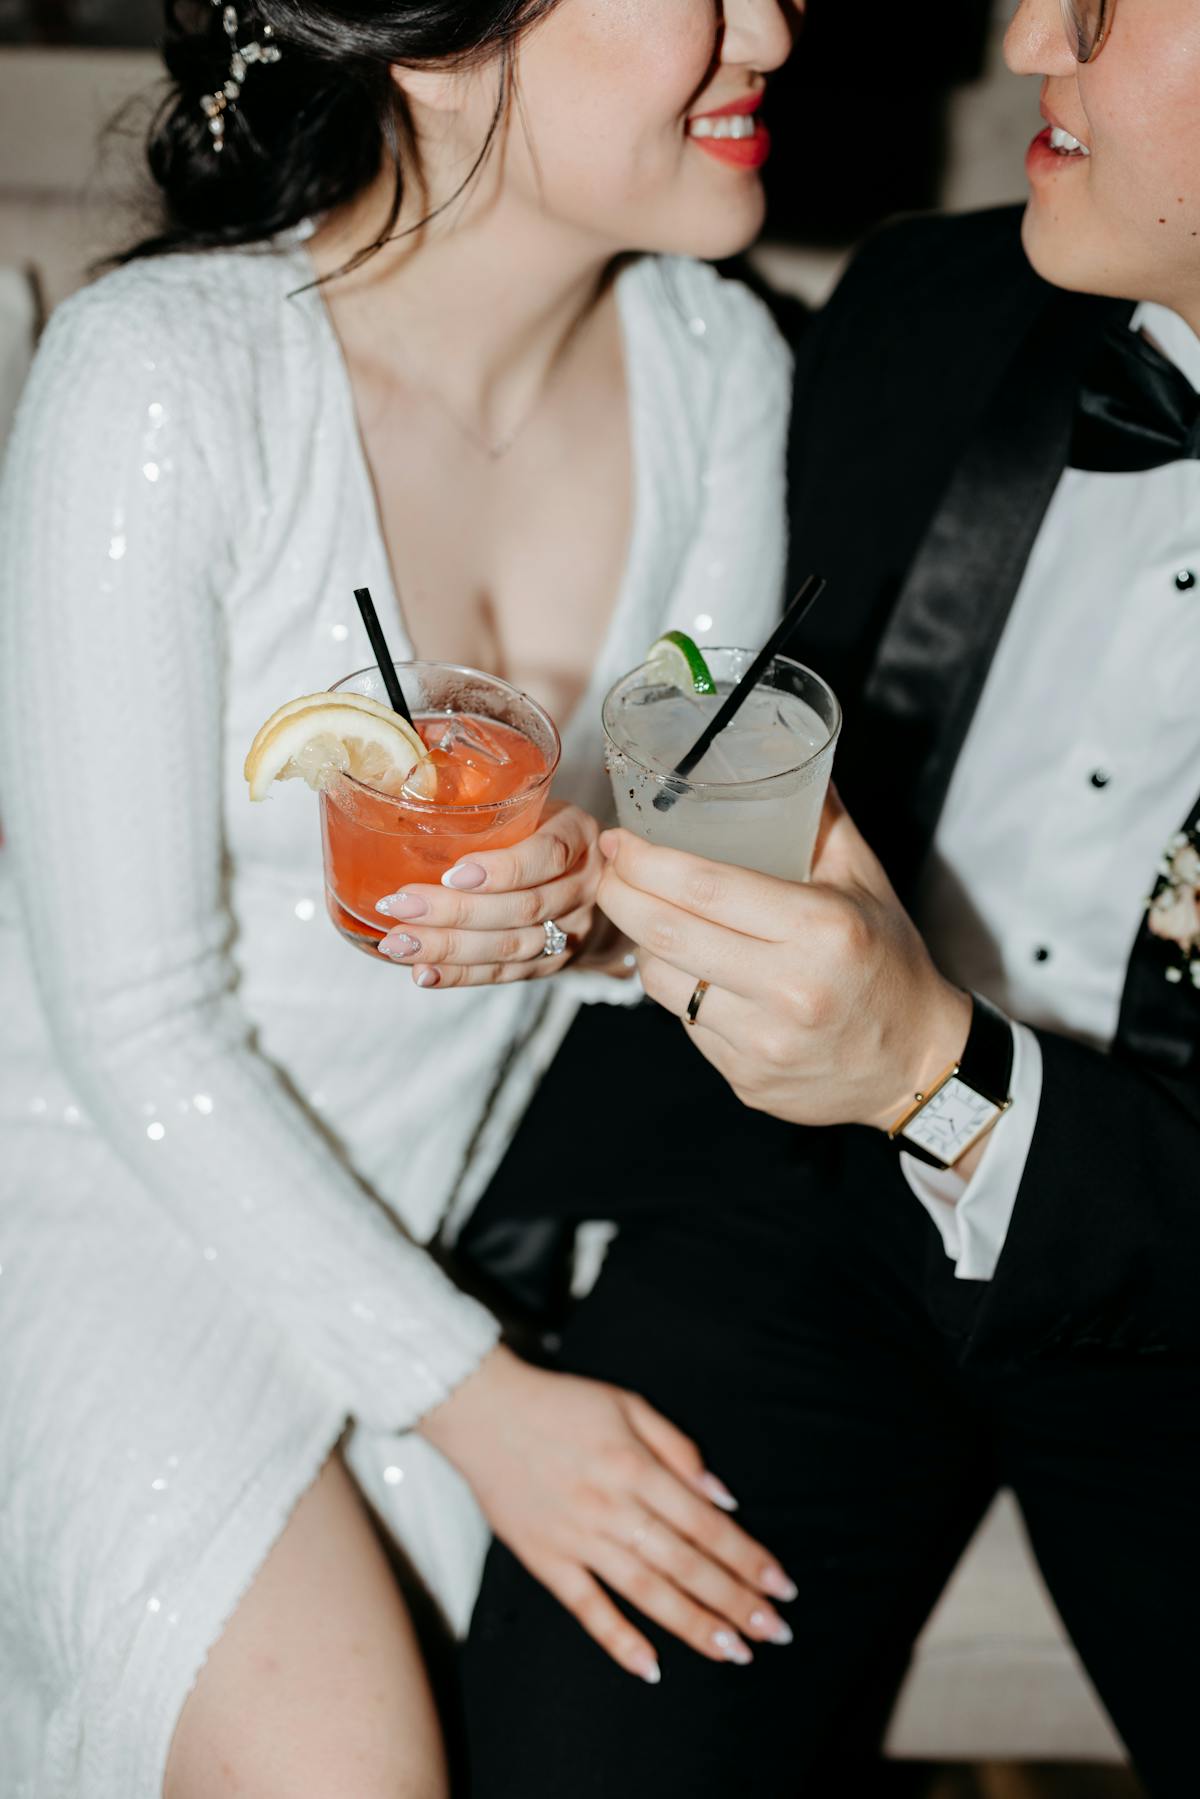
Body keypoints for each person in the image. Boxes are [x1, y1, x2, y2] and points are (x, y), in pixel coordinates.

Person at [0, 1, 809, 1792]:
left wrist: (592, 906)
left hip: (406, 1241)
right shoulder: (162, 384)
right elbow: (124, 1024)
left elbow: (698, 893)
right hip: (85, 1210)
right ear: (440, 41)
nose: (771, 28)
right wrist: (476, 1399)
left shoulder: (721, 371)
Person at [459, 0, 1200, 1792]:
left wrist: (937, 1071)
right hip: (808, 1209)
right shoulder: (929, 305)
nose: (1029, 32)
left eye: (1104, 0)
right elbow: (725, 757)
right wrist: (607, 896)